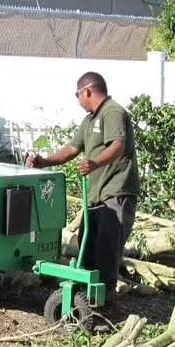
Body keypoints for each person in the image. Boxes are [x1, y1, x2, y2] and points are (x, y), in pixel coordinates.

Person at [26, 72, 139, 301]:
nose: (77, 101)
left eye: (77, 95)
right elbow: (72, 149)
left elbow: (118, 145)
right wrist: (45, 162)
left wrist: (95, 162)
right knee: (87, 248)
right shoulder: (89, 120)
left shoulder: (112, 112)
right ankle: (85, 299)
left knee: (107, 249)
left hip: (115, 191)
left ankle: (104, 303)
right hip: (96, 195)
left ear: (86, 91)